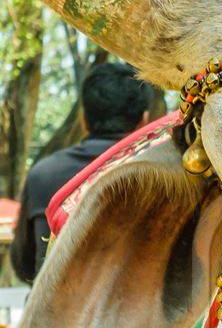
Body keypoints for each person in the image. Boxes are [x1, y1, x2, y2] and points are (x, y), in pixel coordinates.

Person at [9, 62, 154, 283]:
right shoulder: (160, 178)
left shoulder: (44, 174)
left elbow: (24, 265)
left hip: (51, 312)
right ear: (144, 119)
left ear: (83, 120)